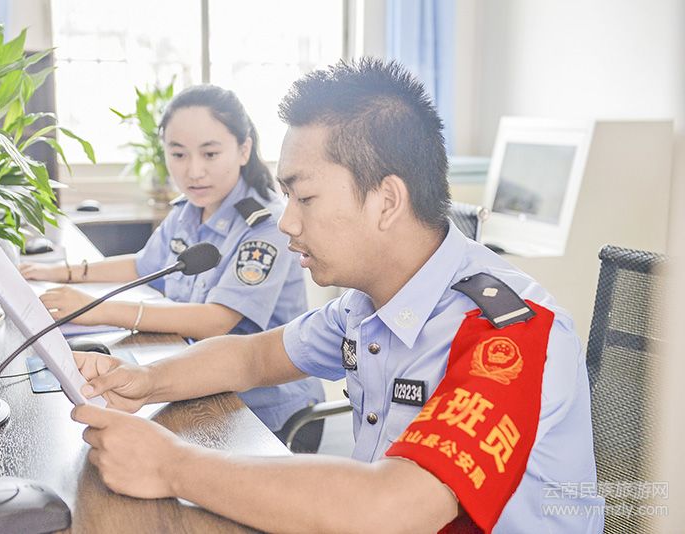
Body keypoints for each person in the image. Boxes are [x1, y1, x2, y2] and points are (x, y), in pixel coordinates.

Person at [69, 59, 603, 533]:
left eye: (304, 197)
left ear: (387, 201)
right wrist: (144, 381)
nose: (287, 222)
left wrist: (171, 466)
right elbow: (256, 356)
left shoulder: (511, 336)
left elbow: (389, 511)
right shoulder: (368, 301)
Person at [20, 85, 325, 449]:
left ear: (244, 150)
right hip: (200, 384)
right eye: (178, 154)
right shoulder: (188, 210)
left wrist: (95, 308)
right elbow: (143, 264)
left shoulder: (266, 224)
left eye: (210, 153)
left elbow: (216, 320)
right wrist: (63, 272)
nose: (194, 171)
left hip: (263, 411)